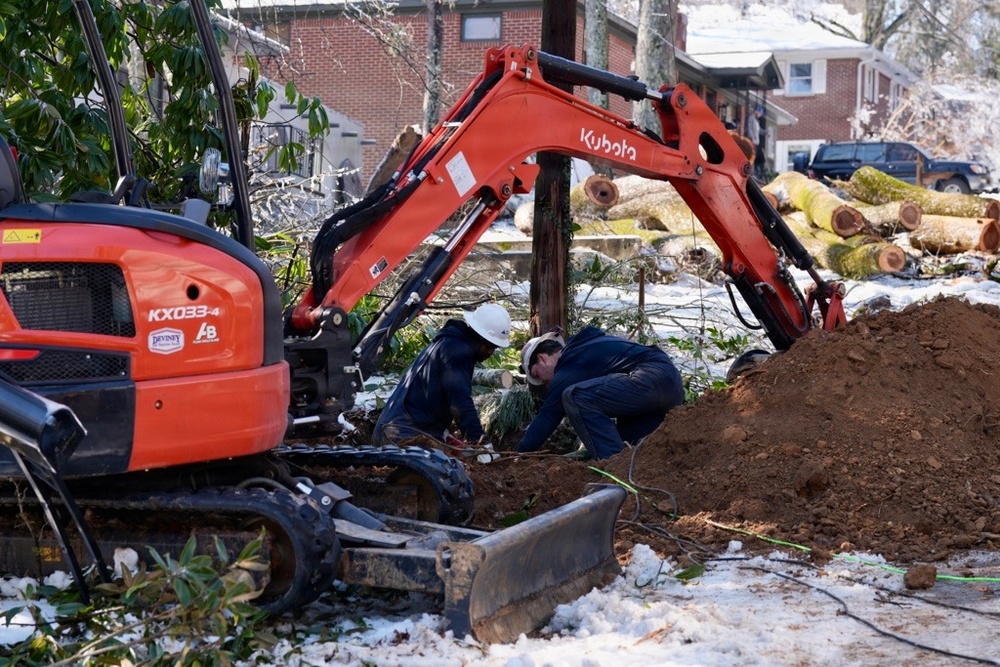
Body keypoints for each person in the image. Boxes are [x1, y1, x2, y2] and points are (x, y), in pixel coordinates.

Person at [517, 326, 685, 459]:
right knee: (630, 447)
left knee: (574, 397)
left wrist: (520, 454)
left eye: (536, 374)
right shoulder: (586, 348)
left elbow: (549, 415)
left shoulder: (570, 361)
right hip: (671, 386)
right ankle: (627, 470)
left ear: (542, 358)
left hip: (650, 379)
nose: (544, 382)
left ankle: (615, 468)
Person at [373, 304, 510, 461]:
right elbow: (460, 402)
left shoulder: (448, 343)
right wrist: (480, 443)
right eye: (490, 346)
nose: (490, 352)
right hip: (401, 436)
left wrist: (443, 436)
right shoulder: (456, 351)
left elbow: (433, 398)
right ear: (480, 338)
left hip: (396, 429)